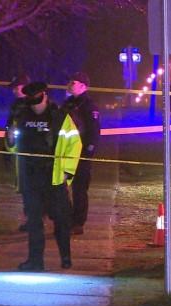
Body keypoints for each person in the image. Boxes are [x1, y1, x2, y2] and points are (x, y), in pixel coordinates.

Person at [15, 81, 82, 271]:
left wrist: (67, 173)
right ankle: (35, 262)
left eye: (37, 100)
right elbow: (14, 146)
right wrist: (10, 141)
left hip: (54, 178)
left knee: (61, 221)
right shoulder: (22, 117)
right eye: (31, 102)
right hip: (31, 178)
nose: (34, 107)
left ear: (45, 95)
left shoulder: (60, 117)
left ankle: (66, 257)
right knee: (34, 222)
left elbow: (75, 145)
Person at [62, 72, 100, 236]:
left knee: (79, 189)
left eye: (73, 82)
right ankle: (66, 219)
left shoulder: (89, 106)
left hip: (82, 153)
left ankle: (77, 223)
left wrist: (88, 152)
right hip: (65, 153)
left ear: (83, 86)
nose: (70, 84)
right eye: (69, 82)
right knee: (61, 187)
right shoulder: (67, 104)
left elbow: (93, 131)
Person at [4, 74, 31, 232]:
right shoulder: (15, 105)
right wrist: (8, 149)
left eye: (17, 87)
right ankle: (30, 218)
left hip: (32, 152)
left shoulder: (34, 104)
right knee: (24, 187)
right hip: (19, 150)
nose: (14, 90)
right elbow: (9, 127)